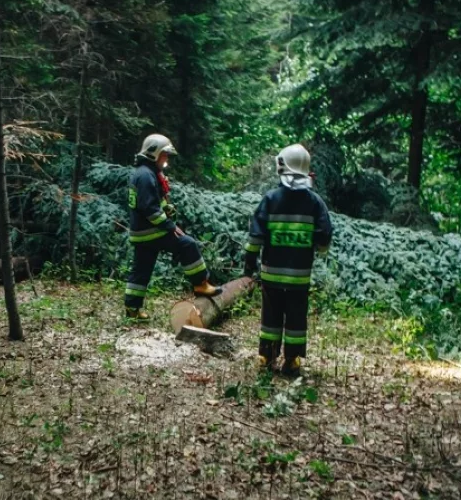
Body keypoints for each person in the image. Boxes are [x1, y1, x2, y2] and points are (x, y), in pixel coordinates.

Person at [244, 143, 332, 376]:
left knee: (271, 314)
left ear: (282, 166)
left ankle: (267, 355)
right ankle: (292, 359)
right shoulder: (315, 202)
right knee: (296, 317)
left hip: (271, 273)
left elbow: (256, 236)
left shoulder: (270, 199)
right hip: (299, 276)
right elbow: (324, 236)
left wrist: (249, 262)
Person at [125, 133, 222, 321]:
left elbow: (151, 204)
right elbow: (149, 210)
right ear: (154, 153)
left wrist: (166, 208)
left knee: (141, 271)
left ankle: (132, 308)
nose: (167, 159)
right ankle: (201, 283)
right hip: (151, 231)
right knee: (187, 244)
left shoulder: (145, 173)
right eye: (165, 155)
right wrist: (170, 226)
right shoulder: (146, 176)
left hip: (141, 232)